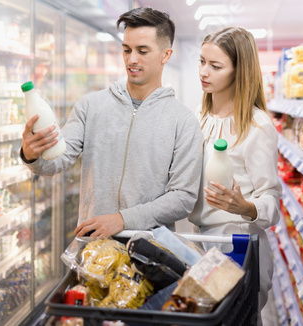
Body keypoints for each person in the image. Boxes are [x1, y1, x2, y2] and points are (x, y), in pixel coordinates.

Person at [20, 6, 203, 238]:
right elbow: (56, 162)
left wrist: (122, 220)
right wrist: (32, 154)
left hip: (151, 255)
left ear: (166, 55)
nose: (132, 59)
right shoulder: (90, 106)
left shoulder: (183, 121)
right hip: (93, 250)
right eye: (127, 50)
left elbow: (182, 198)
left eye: (143, 51)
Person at [187, 27, 282, 325]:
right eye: (202, 61)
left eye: (215, 66)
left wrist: (245, 207)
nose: (204, 72)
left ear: (239, 72)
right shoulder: (199, 120)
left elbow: (272, 200)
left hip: (237, 247)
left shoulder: (257, 126)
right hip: (196, 241)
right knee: (194, 317)